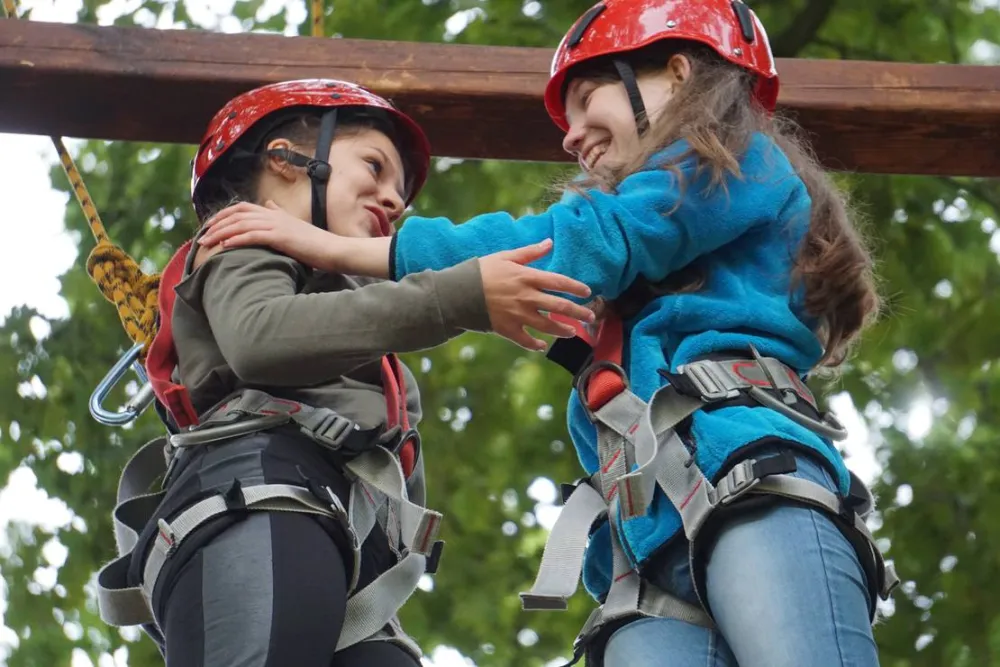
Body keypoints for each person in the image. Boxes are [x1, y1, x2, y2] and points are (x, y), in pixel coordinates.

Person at [197, 2, 899, 665]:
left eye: (587, 96)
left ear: (677, 73)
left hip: (743, 473)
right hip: (645, 547)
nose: (568, 136)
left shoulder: (726, 160)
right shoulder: (651, 270)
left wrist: (344, 249)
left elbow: (574, 242)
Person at [94, 78, 596, 667]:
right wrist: (456, 298)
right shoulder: (243, 237)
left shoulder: (343, 300)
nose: (394, 201)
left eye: (401, 194)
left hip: (350, 558)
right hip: (262, 496)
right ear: (284, 161)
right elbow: (261, 338)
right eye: (375, 168)